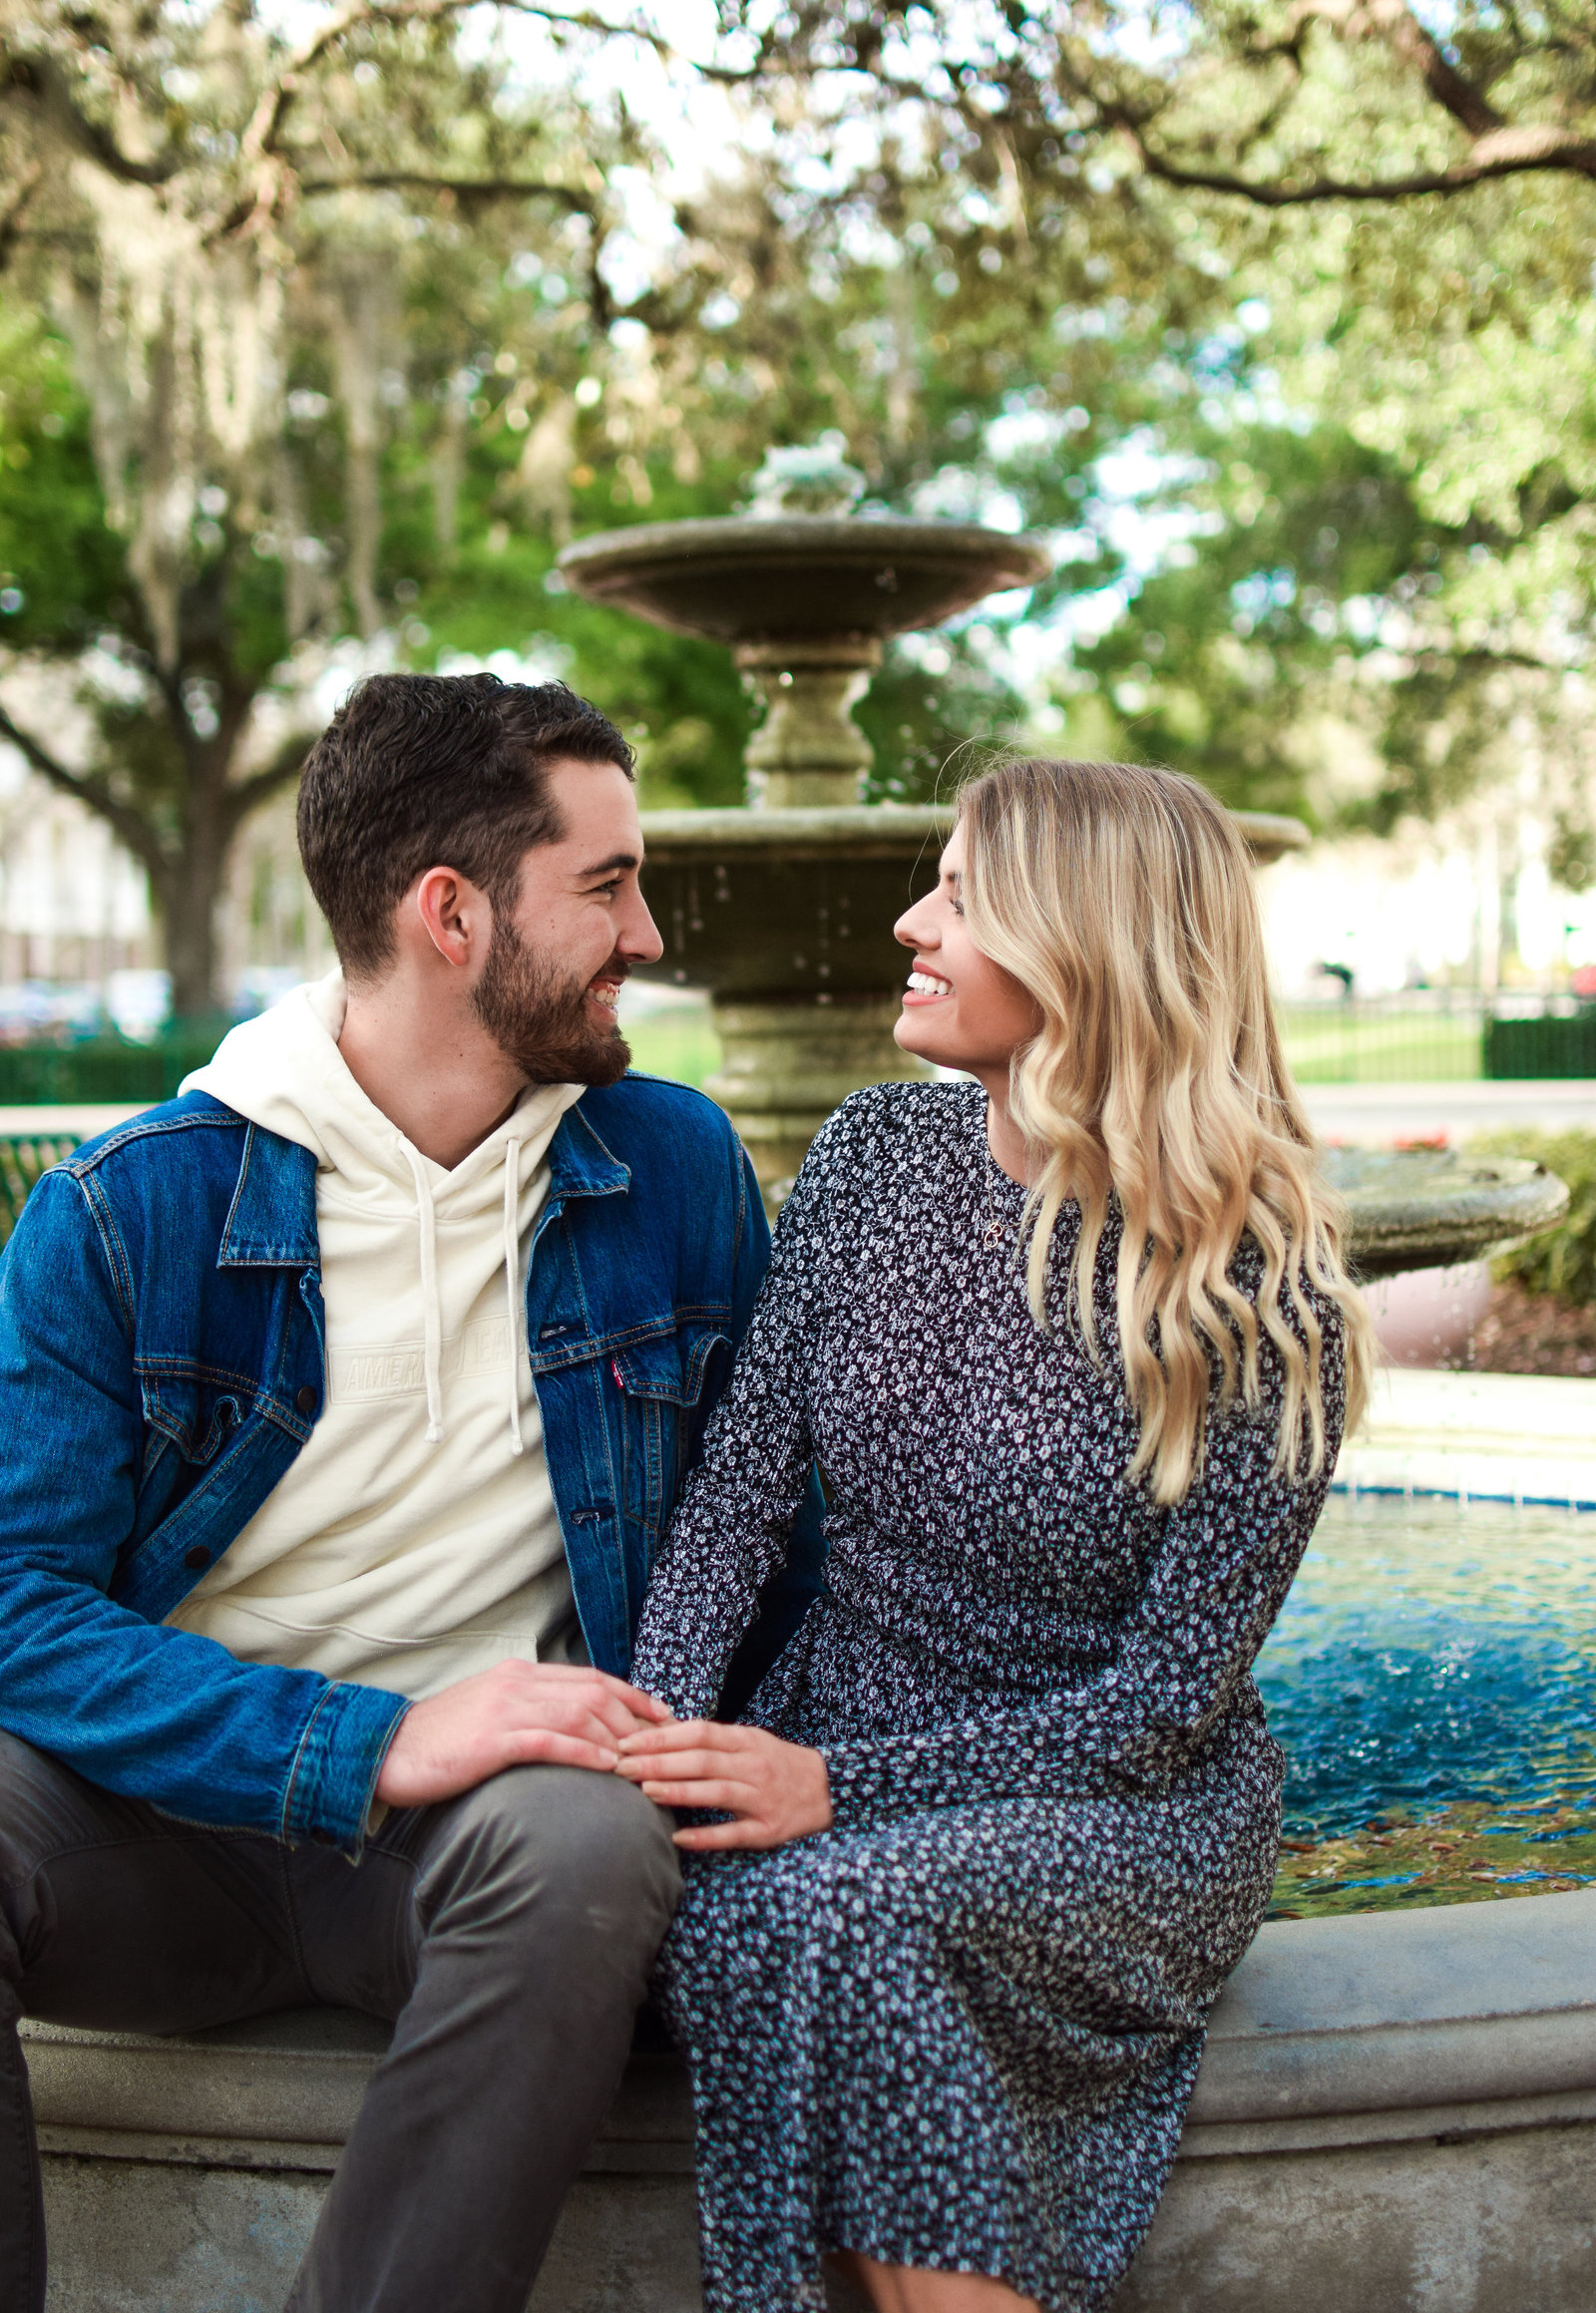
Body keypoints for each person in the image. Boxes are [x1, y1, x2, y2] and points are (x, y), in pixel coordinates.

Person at [0, 671, 821, 2313]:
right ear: (451, 914)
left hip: (477, 1850)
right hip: (163, 1829)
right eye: (606, 887)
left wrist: (827, 1755)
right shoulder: (126, 1210)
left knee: (590, 1842)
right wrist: (366, 1743)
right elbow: (18, 1608)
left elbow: (780, 1551)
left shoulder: (669, 1173)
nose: (648, 936)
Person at [616, 758, 1377, 2313]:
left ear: (1086, 944)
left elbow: (1163, 1712)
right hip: (846, 1729)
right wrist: (654, 1735)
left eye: (961, 895)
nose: (912, 922)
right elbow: (739, 1503)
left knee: (827, 1908)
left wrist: (835, 1790)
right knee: (747, 1913)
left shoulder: (1266, 1305)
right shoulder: (872, 1158)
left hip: (1118, 1810)